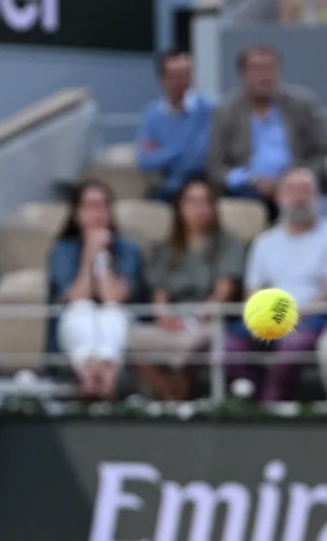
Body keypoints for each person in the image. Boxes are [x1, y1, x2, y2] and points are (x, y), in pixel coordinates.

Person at [128, 177, 245, 400]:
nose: (198, 208)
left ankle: (177, 403)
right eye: (191, 201)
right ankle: (171, 403)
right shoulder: (166, 247)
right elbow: (160, 292)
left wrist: (193, 319)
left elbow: (223, 290)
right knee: (133, 339)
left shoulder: (229, 243)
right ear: (180, 207)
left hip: (208, 321)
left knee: (190, 345)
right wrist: (164, 317)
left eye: (204, 202)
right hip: (172, 321)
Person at [225, 167, 327, 402]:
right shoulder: (264, 242)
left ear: (317, 197)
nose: (299, 198)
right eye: (292, 191)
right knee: (228, 347)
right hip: (271, 317)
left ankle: (273, 408)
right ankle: (252, 404)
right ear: (279, 197)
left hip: (315, 317)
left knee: (291, 348)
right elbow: (252, 292)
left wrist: (295, 313)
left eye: (305, 190)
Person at [48, 180, 144, 401]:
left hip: (119, 321)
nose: (97, 213)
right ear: (77, 213)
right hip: (73, 322)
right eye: (90, 206)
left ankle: (105, 376)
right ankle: (90, 375)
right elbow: (76, 296)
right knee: (81, 309)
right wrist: (89, 255)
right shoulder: (62, 250)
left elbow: (114, 296)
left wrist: (103, 257)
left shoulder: (128, 249)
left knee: (111, 313)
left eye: (103, 206)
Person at [207, 44, 327, 216]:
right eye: (256, 69)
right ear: (243, 74)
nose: (264, 76)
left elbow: (322, 153)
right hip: (247, 192)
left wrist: (296, 178)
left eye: (269, 69)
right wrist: (250, 180)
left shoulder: (303, 105)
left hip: (299, 187)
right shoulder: (226, 111)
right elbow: (216, 168)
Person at [135, 49, 215, 201]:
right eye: (175, 76)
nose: (182, 81)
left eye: (186, 75)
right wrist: (183, 149)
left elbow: (201, 158)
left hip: (200, 184)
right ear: (162, 79)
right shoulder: (152, 114)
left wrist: (164, 153)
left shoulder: (209, 109)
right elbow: (145, 161)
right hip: (164, 188)